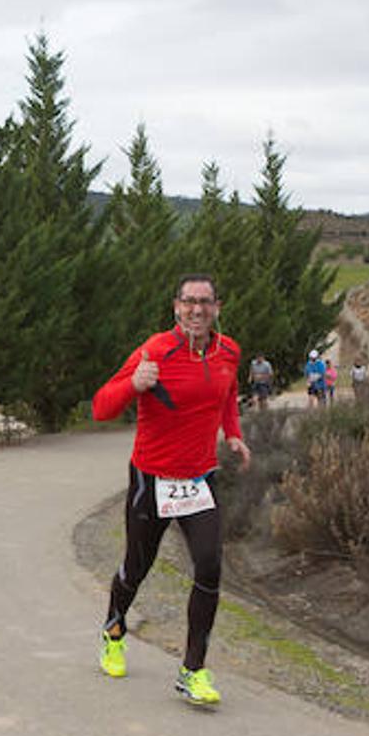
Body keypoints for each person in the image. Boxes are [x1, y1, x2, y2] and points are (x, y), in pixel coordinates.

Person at [90, 274, 252, 706]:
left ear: (217, 306)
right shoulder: (155, 350)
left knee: (210, 566)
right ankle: (113, 632)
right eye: (188, 302)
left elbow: (227, 395)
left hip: (200, 480)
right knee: (136, 569)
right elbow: (101, 407)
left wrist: (232, 433)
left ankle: (193, 670)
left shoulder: (228, 351)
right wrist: (133, 384)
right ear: (175, 307)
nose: (197, 310)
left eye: (205, 302)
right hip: (152, 480)